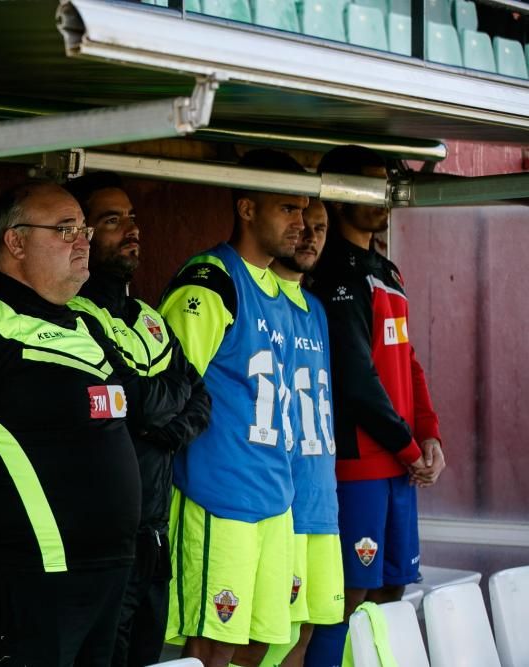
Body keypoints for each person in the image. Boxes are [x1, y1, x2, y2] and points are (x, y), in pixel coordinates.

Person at [0, 181, 191, 667]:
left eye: (84, 230)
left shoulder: (83, 324)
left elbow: (139, 403)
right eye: (65, 230)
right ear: (16, 241)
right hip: (21, 579)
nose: (83, 241)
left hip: (109, 575)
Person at [159, 149, 308, 667]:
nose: (302, 222)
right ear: (247, 208)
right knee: (211, 647)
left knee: (262, 639)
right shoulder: (211, 279)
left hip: (274, 496)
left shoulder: (276, 288)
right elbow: (167, 392)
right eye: (288, 208)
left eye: (304, 209)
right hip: (218, 497)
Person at [304, 146, 444, 667]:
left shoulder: (386, 269)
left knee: (392, 591)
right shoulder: (333, 272)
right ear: (338, 196)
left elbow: (407, 361)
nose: (381, 194)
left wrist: (429, 437)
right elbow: (355, 381)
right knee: (345, 596)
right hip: (360, 464)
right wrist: (409, 447)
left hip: (402, 463)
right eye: (366, 185)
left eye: (384, 182)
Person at [65, 172, 212, 667]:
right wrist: (158, 413)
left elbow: (200, 398)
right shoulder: (74, 315)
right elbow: (137, 401)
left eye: (132, 217)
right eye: (112, 220)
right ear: (81, 235)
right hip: (104, 535)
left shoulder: (150, 317)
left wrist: (161, 432)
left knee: (150, 656)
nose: (131, 229)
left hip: (155, 530)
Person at [262, 198, 343, 667]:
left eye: (319, 227)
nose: (309, 235)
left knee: (306, 629)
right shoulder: (258, 295)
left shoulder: (315, 307)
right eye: (300, 224)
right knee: (265, 636)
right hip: (280, 497)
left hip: (320, 495)